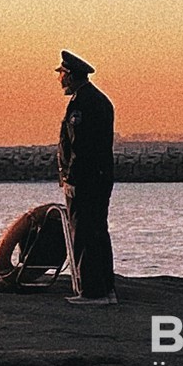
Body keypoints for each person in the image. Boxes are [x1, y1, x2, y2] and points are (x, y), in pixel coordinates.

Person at [56, 49, 117, 305]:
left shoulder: (82, 104)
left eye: (61, 74)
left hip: (85, 180)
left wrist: (71, 179)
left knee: (83, 232)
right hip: (100, 177)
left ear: (70, 76)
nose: (59, 80)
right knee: (98, 231)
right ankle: (106, 287)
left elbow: (80, 147)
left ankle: (92, 291)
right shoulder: (99, 100)